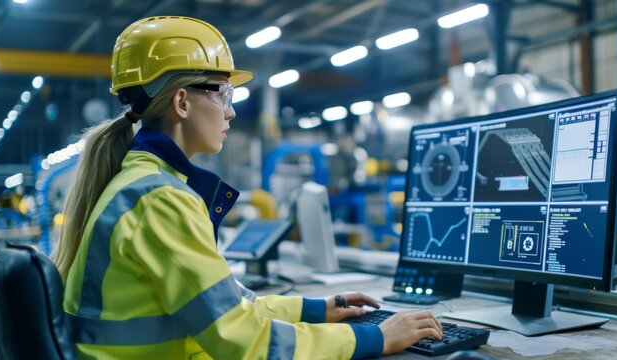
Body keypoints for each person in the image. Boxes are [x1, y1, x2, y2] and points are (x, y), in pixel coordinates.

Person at [54, 16, 443, 359]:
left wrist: (316, 310)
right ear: (182, 102)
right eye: (223, 93)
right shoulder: (161, 199)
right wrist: (373, 339)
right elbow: (246, 341)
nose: (231, 111)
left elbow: (224, 307)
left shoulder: (142, 184)